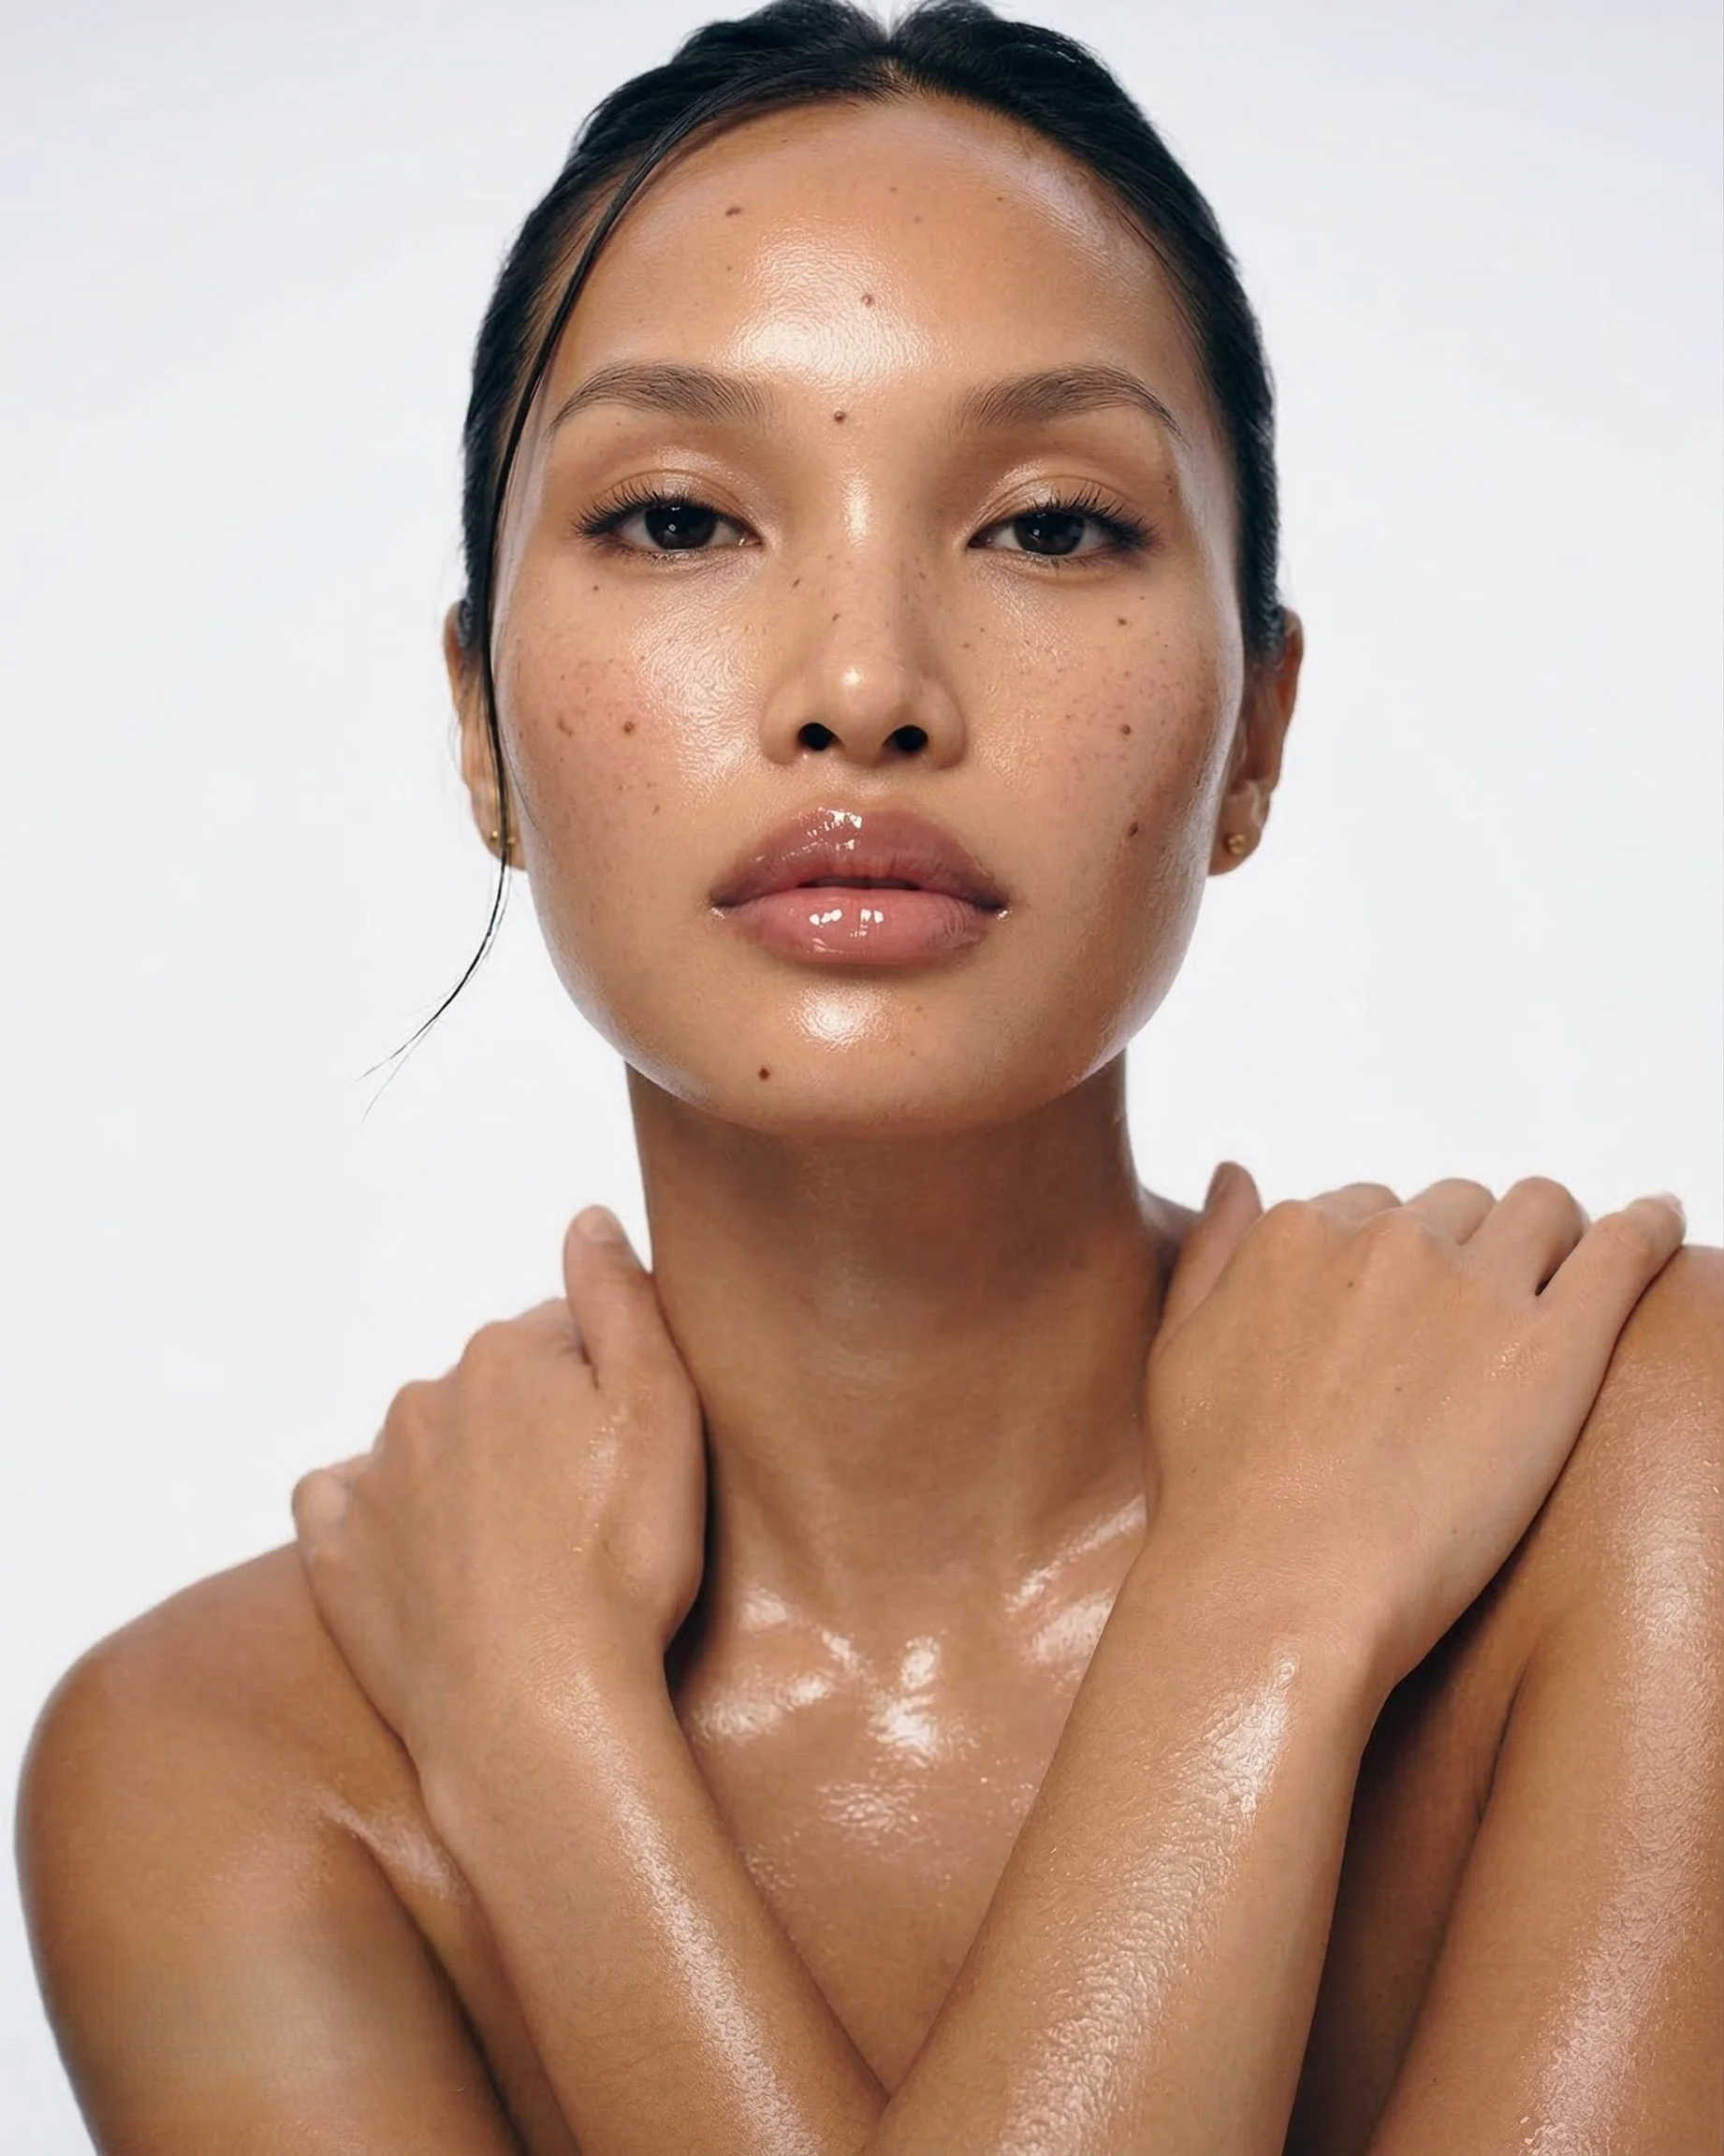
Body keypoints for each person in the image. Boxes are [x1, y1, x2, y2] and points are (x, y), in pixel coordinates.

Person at [17, 4, 1719, 2150]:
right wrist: (554, 1746)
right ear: (480, 731)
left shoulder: (1637, 1473)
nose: (861, 690)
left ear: (1257, 732)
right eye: (671, 521)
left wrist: (1249, 1609)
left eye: (1051, 528)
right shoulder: (217, 1766)